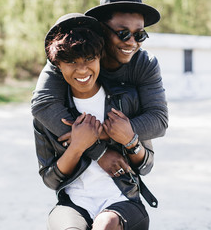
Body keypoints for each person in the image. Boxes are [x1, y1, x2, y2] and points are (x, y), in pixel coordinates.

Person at [34, 13, 156, 230]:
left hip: (123, 200)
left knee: (105, 225)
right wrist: (79, 146)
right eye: (71, 62)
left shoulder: (126, 101)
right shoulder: (51, 113)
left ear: (100, 56)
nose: (82, 69)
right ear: (57, 65)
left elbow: (146, 165)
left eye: (89, 59)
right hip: (73, 204)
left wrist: (129, 140)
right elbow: (50, 180)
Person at [31, 0, 168, 177]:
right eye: (123, 33)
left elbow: (159, 120)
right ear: (102, 31)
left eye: (140, 35)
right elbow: (43, 104)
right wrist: (98, 151)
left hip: (132, 164)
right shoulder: (73, 53)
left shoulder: (145, 63)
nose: (132, 42)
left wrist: (102, 133)